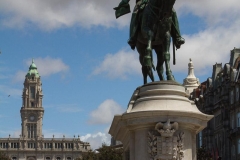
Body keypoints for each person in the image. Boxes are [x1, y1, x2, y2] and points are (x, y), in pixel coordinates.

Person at [114, 0, 185, 50]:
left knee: (172, 11)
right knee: (135, 13)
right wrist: (124, 2)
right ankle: (133, 36)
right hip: (142, 2)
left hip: (159, 2)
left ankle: (177, 37)